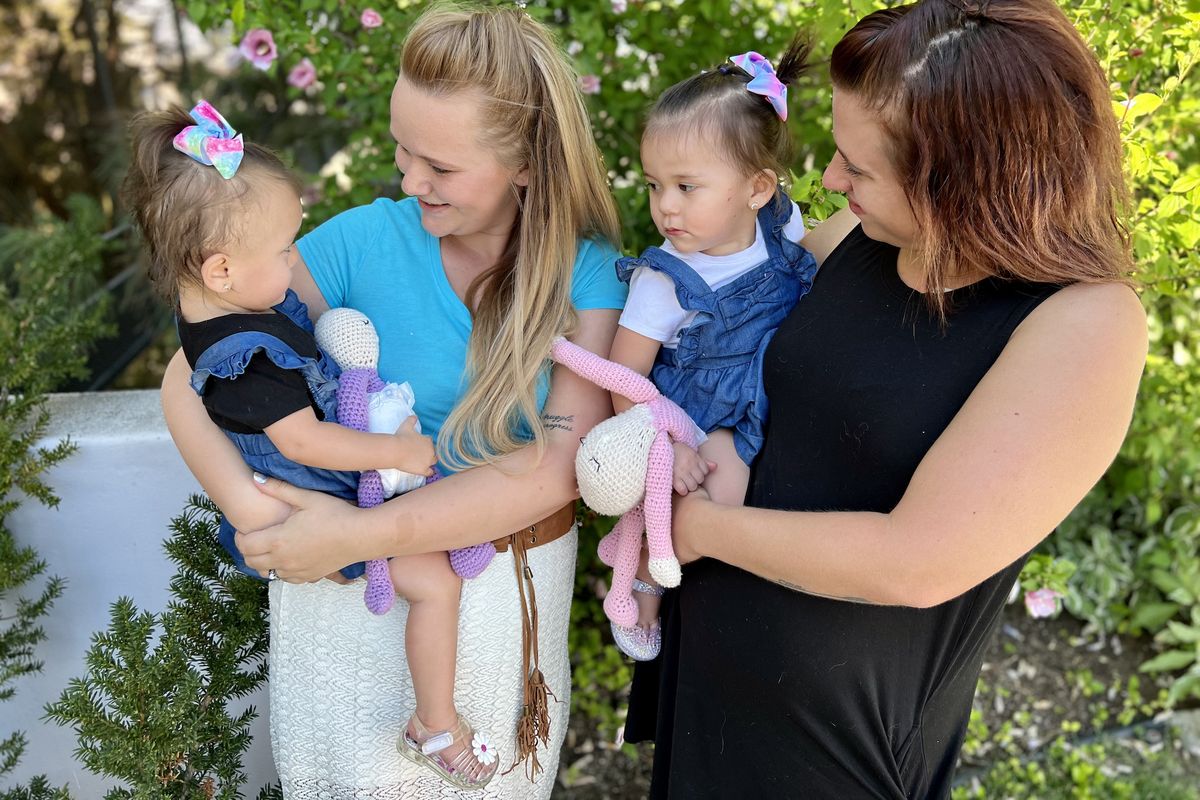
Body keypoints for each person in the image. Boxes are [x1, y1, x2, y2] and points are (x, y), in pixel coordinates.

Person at [622, 1, 1148, 797]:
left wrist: (694, 527)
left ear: (967, 175)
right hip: (710, 685)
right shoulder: (861, 238)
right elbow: (718, 328)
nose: (832, 182)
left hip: (834, 751)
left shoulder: (1083, 323)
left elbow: (919, 562)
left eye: (858, 169)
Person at [157, 5, 624, 798]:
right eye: (403, 151)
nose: (410, 182)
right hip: (346, 612)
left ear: (527, 162)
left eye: (439, 167)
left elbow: (555, 468)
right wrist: (258, 516)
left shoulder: (587, 276)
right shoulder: (362, 240)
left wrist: (362, 529)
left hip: (497, 601)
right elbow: (191, 375)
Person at [123, 99, 511, 789]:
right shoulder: (251, 360)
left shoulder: (226, 306)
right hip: (322, 499)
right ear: (221, 271)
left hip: (331, 482)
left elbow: (305, 304)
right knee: (438, 585)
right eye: (281, 250)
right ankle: (436, 724)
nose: (293, 259)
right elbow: (305, 440)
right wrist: (398, 455)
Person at [605, 38, 819, 661]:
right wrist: (667, 443)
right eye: (654, 185)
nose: (665, 206)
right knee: (719, 503)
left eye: (686, 186)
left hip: (772, 391)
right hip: (705, 416)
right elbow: (624, 377)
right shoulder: (665, 280)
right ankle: (643, 575)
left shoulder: (782, 225)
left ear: (757, 189)